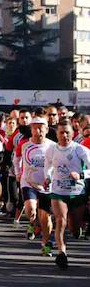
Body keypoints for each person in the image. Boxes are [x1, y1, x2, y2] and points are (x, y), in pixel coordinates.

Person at [46, 120, 90, 270]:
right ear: (57, 134)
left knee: (74, 228)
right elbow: (48, 166)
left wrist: (81, 174)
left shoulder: (80, 150)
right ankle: (61, 252)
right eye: (61, 132)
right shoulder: (52, 149)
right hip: (58, 191)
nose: (64, 135)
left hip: (77, 192)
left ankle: (77, 230)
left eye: (67, 132)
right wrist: (47, 177)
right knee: (60, 220)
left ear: (73, 133)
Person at [15, 116, 54, 253]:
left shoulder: (53, 146)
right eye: (34, 128)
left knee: (45, 217)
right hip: (28, 181)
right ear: (31, 130)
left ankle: (46, 244)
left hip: (46, 186)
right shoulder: (24, 144)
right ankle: (31, 223)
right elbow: (16, 159)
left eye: (40, 128)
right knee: (30, 209)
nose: (38, 131)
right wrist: (18, 172)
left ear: (47, 129)